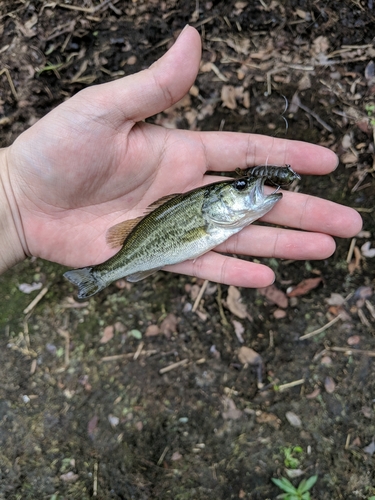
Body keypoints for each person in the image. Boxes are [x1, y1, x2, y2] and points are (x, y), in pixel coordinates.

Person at [0, 26, 362, 288]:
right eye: (238, 187)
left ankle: (102, 275)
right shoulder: (206, 220)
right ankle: (100, 275)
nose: (247, 186)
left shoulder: (213, 219)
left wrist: (15, 200)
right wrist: (13, 195)